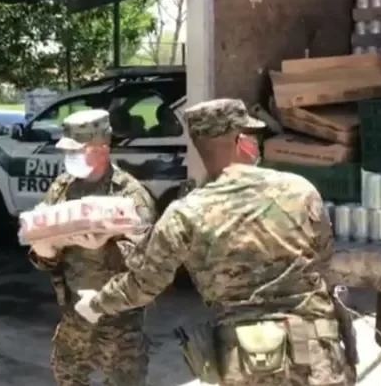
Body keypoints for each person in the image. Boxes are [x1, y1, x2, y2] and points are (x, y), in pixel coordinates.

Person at [74, 99, 355, 386]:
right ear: (242, 141)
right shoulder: (300, 189)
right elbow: (323, 256)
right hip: (317, 360)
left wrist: (95, 304)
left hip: (247, 365)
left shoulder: (185, 213)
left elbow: (143, 285)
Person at [28, 109, 157, 386]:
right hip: (75, 316)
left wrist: (100, 247)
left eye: (77, 150)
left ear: (102, 148)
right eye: (68, 151)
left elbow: (147, 265)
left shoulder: (129, 195)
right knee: (67, 377)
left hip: (119, 320)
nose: (69, 158)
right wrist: (44, 251)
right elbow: (44, 258)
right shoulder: (62, 189)